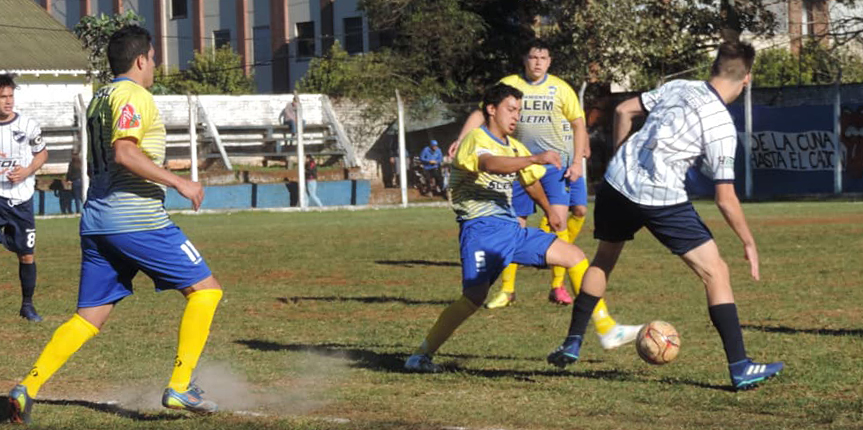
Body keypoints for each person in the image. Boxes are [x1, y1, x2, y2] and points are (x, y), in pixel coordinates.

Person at [8, 26, 224, 425]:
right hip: (136, 218)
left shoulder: (101, 96)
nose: (156, 66)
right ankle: (180, 385)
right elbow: (125, 152)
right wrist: (179, 181)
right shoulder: (132, 95)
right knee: (206, 292)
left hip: (97, 222)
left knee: (88, 318)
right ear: (142, 59)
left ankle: (26, 388)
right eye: (155, 58)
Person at [547, 41, 784, 391]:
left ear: (714, 67)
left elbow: (625, 110)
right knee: (715, 271)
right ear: (746, 78)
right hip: (660, 197)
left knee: (604, 259)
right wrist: (748, 242)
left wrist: (620, 157)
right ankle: (740, 366)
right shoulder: (720, 123)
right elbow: (725, 198)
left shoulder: (679, 86)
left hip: (616, 184)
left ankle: (572, 342)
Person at [449, 40, 641, 350]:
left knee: (568, 231)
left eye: (543, 57)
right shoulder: (503, 94)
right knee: (476, 293)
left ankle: (589, 312)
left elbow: (578, 125)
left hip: (547, 165)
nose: (537, 62)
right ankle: (506, 290)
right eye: (533, 57)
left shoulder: (560, 89)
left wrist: (575, 163)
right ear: (524, 59)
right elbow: (488, 153)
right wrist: (461, 140)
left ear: (549, 61)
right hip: (505, 185)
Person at [404, 83, 588, 372]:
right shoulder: (476, 140)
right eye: (510, 110)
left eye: (519, 111)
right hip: (481, 233)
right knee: (473, 298)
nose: (516, 117)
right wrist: (534, 158)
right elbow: (490, 164)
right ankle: (420, 356)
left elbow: (529, 180)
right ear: (491, 109)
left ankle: (582, 337)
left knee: (575, 257)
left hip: (512, 230)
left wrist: (550, 209)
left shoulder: (515, 146)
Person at [0, 74, 48, 323]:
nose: (8, 102)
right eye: (2, 97)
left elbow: (42, 153)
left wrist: (27, 170)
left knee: (26, 255)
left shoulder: (28, 125)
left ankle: (27, 306)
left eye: (10, 96)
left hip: (22, 200)